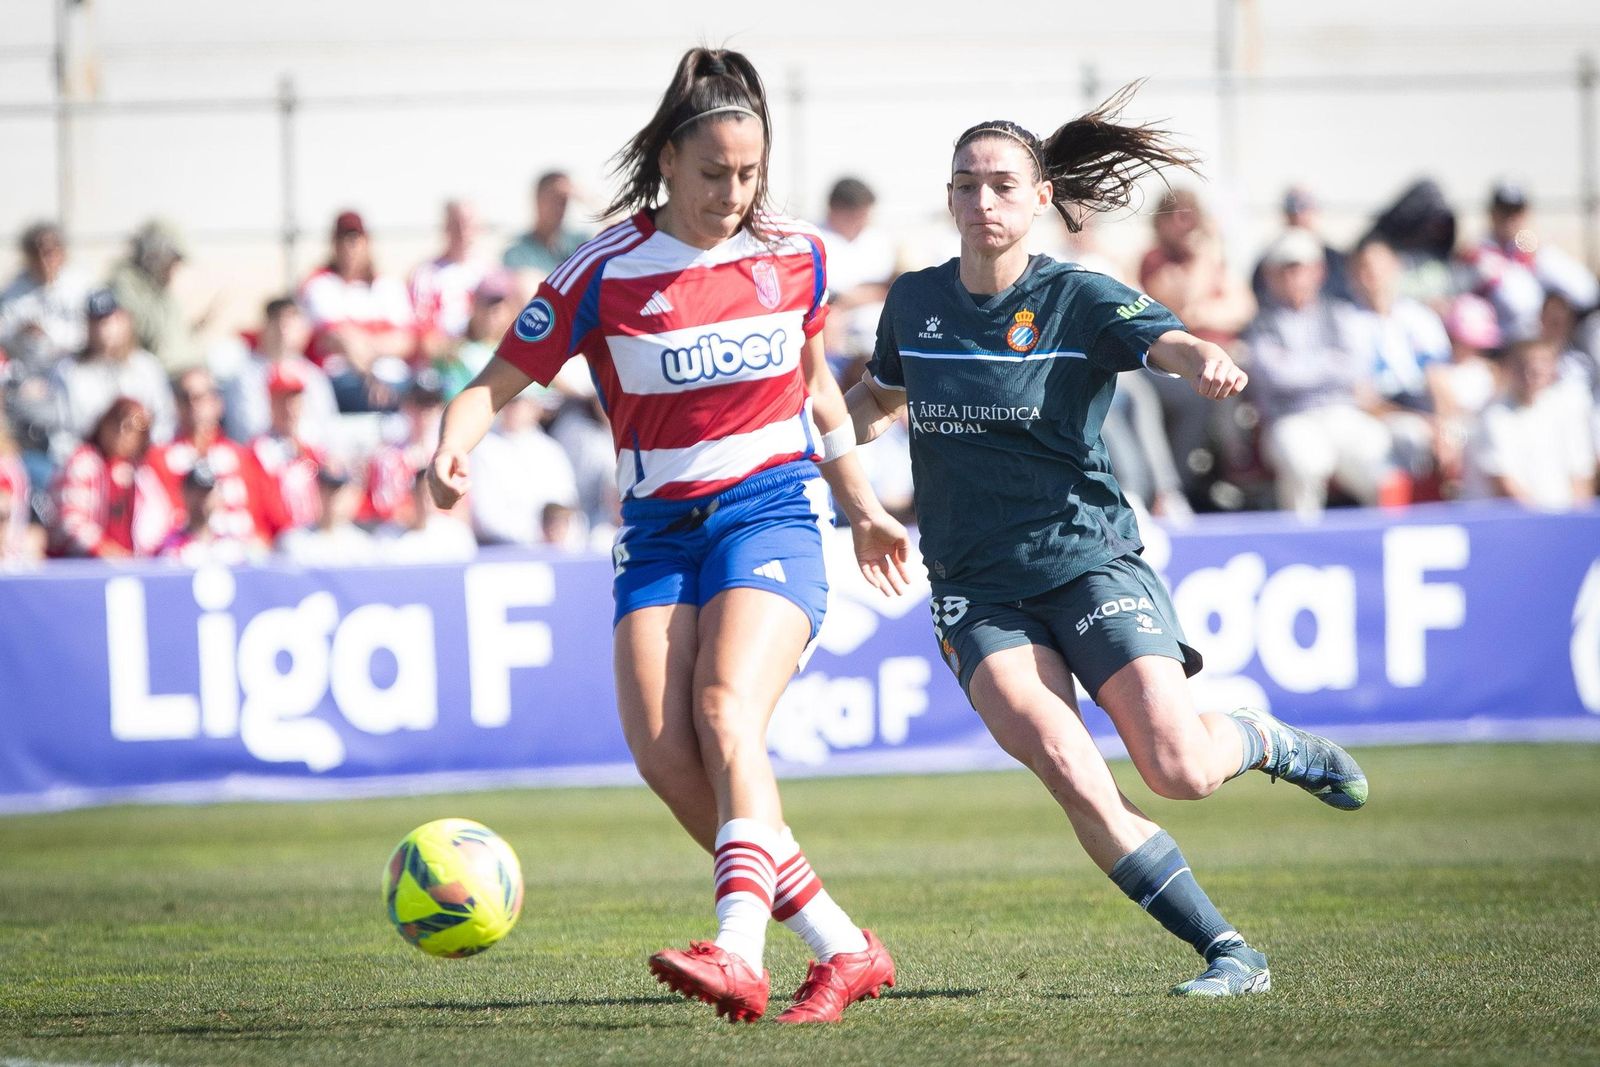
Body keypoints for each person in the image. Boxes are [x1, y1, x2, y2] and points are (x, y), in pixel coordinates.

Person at [845, 87, 1369, 998]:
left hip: (1087, 560)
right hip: (975, 586)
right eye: (966, 185)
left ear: (1041, 197)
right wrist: (800, 451)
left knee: (1178, 768)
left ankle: (1258, 737)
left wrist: (1198, 353)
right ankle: (1229, 951)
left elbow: (1159, 338)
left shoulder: (1075, 295)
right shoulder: (917, 302)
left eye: (1003, 184)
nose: (983, 202)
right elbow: (873, 404)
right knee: (1068, 765)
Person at [427, 47, 909, 1025]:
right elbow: (488, 383)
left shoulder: (794, 255)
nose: (733, 193)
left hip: (768, 513)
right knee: (662, 749)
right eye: (712, 174)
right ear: (667, 164)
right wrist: (449, 451)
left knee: (727, 708)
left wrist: (859, 504)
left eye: (749, 174)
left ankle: (737, 951)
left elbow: (817, 392)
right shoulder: (603, 269)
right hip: (655, 535)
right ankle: (843, 943)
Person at [1243, 229, 1402, 518]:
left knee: (1379, 460)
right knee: (1305, 461)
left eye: (1300, 268)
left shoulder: (1340, 314)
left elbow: (1356, 367)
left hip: (1343, 413)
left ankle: (1383, 542)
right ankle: (1304, 548)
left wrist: (1300, 365)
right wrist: (1329, 363)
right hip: (1289, 417)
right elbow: (1277, 377)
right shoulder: (1261, 323)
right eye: (1284, 270)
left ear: (1318, 272)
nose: (1294, 278)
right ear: (1270, 275)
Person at [299, 210, 416, 413]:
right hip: (346, 379)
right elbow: (339, 340)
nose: (349, 247)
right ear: (333, 244)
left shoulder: (388, 286)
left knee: (428, 395)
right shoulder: (320, 285)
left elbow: (406, 342)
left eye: (355, 239)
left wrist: (365, 344)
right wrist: (370, 375)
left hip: (395, 378)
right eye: (343, 239)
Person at [1460, 339, 1596, 510]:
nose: (1533, 372)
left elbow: (1581, 473)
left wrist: (1575, 521)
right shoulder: (1492, 416)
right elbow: (1503, 482)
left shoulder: (1566, 409)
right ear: (1511, 368)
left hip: (1560, 522)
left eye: (1541, 365)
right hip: (1513, 525)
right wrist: (1541, 522)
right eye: (1525, 365)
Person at [47, 396, 172, 558]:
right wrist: (104, 550)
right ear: (104, 423)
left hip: (130, 565)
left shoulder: (144, 474)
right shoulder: (83, 462)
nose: (122, 431)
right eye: (117, 421)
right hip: (82, 565)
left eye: (132, 427)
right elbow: (70, 522)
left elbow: (162, 521)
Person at [52, 289, 177, 449]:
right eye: (97, 322)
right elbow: (65, 433)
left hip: (142, 454)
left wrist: (145, 450)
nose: (105, 329)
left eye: (112, 320)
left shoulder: (146, 366)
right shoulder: (69, 371)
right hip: (91, 456)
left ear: (126, 320)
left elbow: (165, 421)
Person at [220, 297, 340, 451]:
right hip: (263, 460)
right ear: (265, 327)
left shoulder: (314, 376)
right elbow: (246, 430)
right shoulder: (245, 376)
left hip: (309, 459)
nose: (283, 330)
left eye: (290, 322)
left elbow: (327, 427)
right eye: (277, 322)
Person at [108, 219, 206, 374]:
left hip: (187, 368)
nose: (174, 269)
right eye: (172, 261)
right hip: (160, 374)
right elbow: (147, 334)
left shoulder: (159, 288)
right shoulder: (126, 284)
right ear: (156, 254)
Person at [409, 200, 492, 362]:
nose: (462, 231)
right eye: (456, 224)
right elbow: (424, 339)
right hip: (444, 362)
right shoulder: (427, 274)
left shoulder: (489, 273)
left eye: (467, 224)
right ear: (445, 227)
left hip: (485, 356)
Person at [502, 171, 588, 279]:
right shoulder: (517, 251)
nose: (558, 207)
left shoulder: (580, 242)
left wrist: (587, 198)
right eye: (552, 199)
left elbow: (615, 238)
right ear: (537, 199)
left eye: (563, 201)